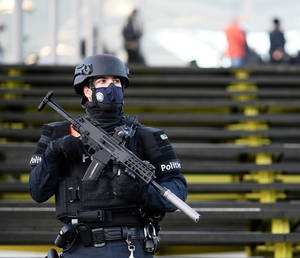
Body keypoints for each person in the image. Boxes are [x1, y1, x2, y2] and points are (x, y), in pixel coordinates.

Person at [29, 54, 187, 257]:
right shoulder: (58, 134)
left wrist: (142, 192)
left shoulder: (148, 137)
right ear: (87, 90)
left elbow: (178, 191)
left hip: (130, 244)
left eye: (117, 81)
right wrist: (53, 153)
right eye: (102, 81)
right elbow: (37, 192)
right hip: (78, 245)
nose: (110, 87)